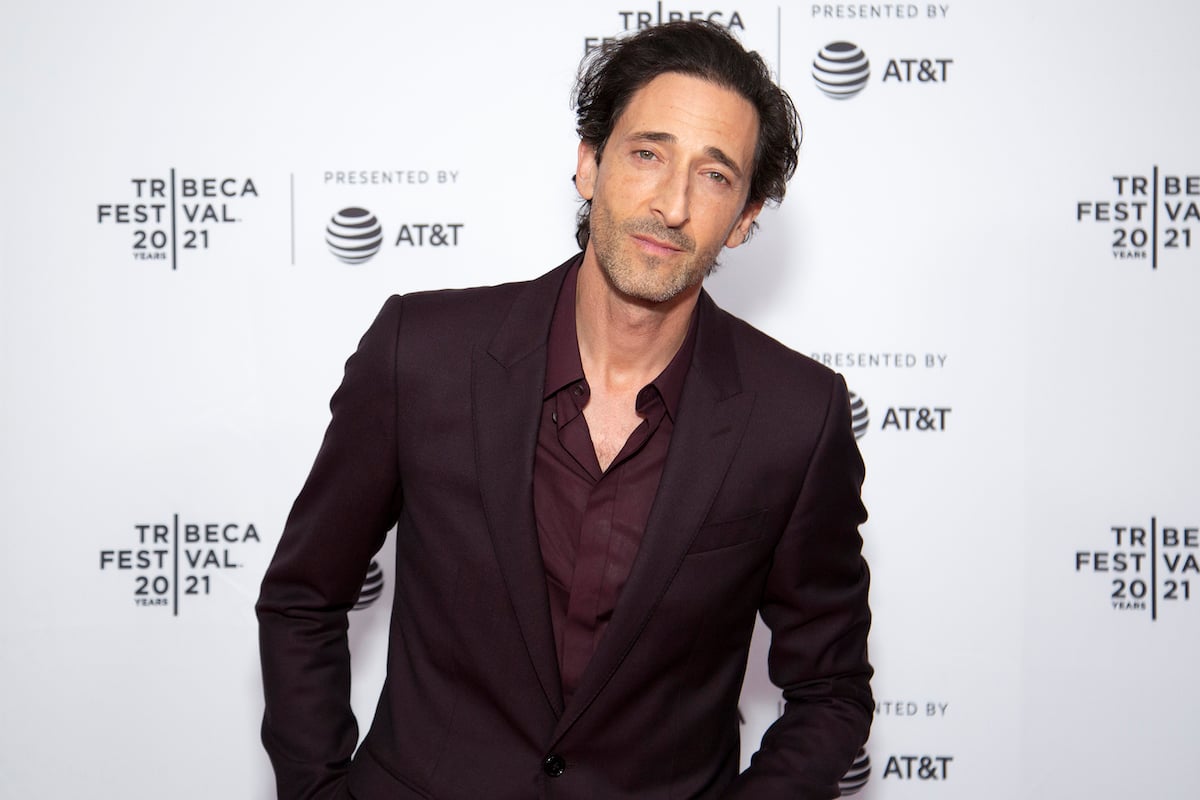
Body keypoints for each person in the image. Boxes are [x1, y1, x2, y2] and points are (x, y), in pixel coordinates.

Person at [257, 20, 872, 800]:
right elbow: (303, 597)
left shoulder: (796, 418)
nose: (672, 204)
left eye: (715, 176)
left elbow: (831, 690)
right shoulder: (424, 353)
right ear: (589, 163)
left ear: (745, 218)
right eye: (647, 154)